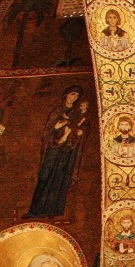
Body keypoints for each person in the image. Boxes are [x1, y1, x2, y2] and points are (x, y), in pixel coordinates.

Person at [24, 85, 88, 219]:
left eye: (76, 96)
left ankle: (53, 210)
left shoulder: (76, 113)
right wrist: (60, 127)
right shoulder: (57, 111)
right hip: (53, 147)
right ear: (66, 95)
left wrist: (78, 132)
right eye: (72, 94)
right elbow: (49, 129)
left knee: (60, 177)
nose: (74, 97)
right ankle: (35, 210)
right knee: (45, 176)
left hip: (67, 149)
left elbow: (81, 128)